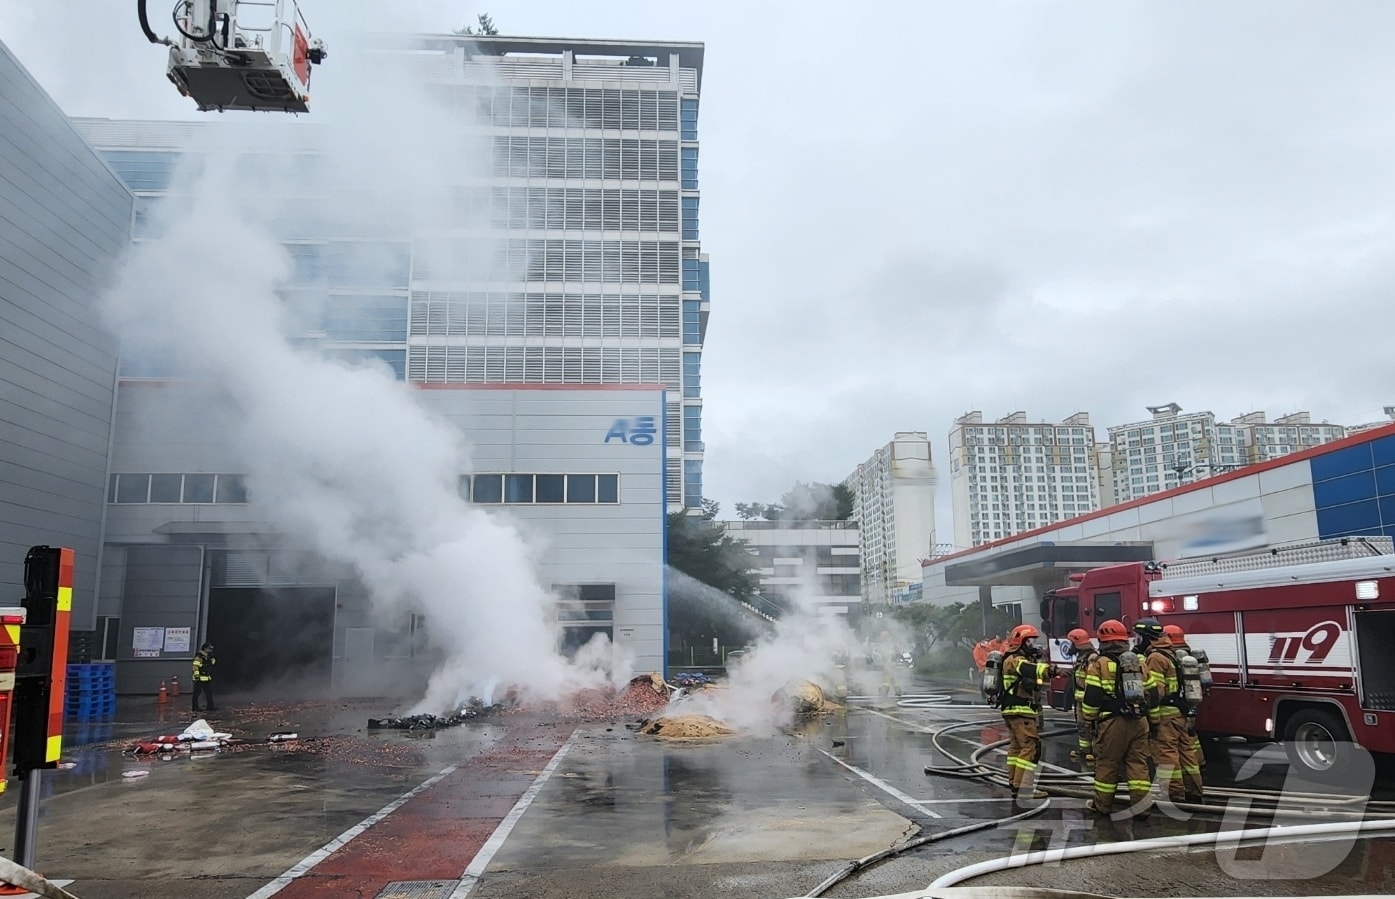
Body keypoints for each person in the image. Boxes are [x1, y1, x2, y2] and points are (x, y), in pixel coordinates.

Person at [1081, 619, 1152, 818]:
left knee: (1107, 764)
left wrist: (1089, 719)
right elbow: (1153, 693)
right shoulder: (1139, 662)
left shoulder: (1099, 664)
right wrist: (1151, 719)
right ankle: (1142, 809)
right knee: (1138, 765)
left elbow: (1092, 696)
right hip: (1139, 721)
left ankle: (1102, 806)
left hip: (1112, 722)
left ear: (1102, 641)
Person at [998, 623, 1058, 803]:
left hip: (1013, 711)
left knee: (1017, 748)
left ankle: (1016, 785)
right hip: (1021, 711)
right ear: (1022, 642)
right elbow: (1029, 670)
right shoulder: (1015, 660)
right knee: (1030, 748)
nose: (1033, 645)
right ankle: (1024, 789)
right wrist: (1052, 671)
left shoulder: (1013, 659)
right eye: (1030, 641)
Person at [1135, 617, 1189, 805]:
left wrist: (1152, 717)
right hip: (1178, 712)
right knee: (1186, 753)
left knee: (1166, 756)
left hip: (1166, 714)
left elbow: (1155, 692)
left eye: (1138, 637)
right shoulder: (1171, 653)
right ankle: (1193, 790)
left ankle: (1172, 795)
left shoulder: (1156, 658)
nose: (1136, 641)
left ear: (1145, 637)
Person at [1163, 623, 1206, 801]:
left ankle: (1176, 792)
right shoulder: (1189, 655)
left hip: (1175, 707)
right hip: (1190, 704)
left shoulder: (1173, 656)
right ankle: (1199, 765)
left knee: (1173, 748)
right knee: (1189, 740)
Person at [1066, 628, 1099, 763]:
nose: (1069, 646)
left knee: (1091, 725)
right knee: (1081, 725)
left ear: (1077, 643)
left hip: (1088, 699)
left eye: (1071, 643)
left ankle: (1096, 751)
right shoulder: (1081, 658)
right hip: (1080, 700)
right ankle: (1085, 750)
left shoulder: (1091, 658)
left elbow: (1092, 680)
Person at [192, 642, 217, 714]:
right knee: (197, 693)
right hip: (199, 678)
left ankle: (210, 706)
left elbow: (212, 664)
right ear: (205, 648)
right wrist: (196, 676)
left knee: (209, 692)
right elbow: (195, 666)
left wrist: (212, 658)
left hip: (206, 678)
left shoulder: (208, 656)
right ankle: (195, 707)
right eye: (210, 648)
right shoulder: (199, 657)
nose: (211, 650)